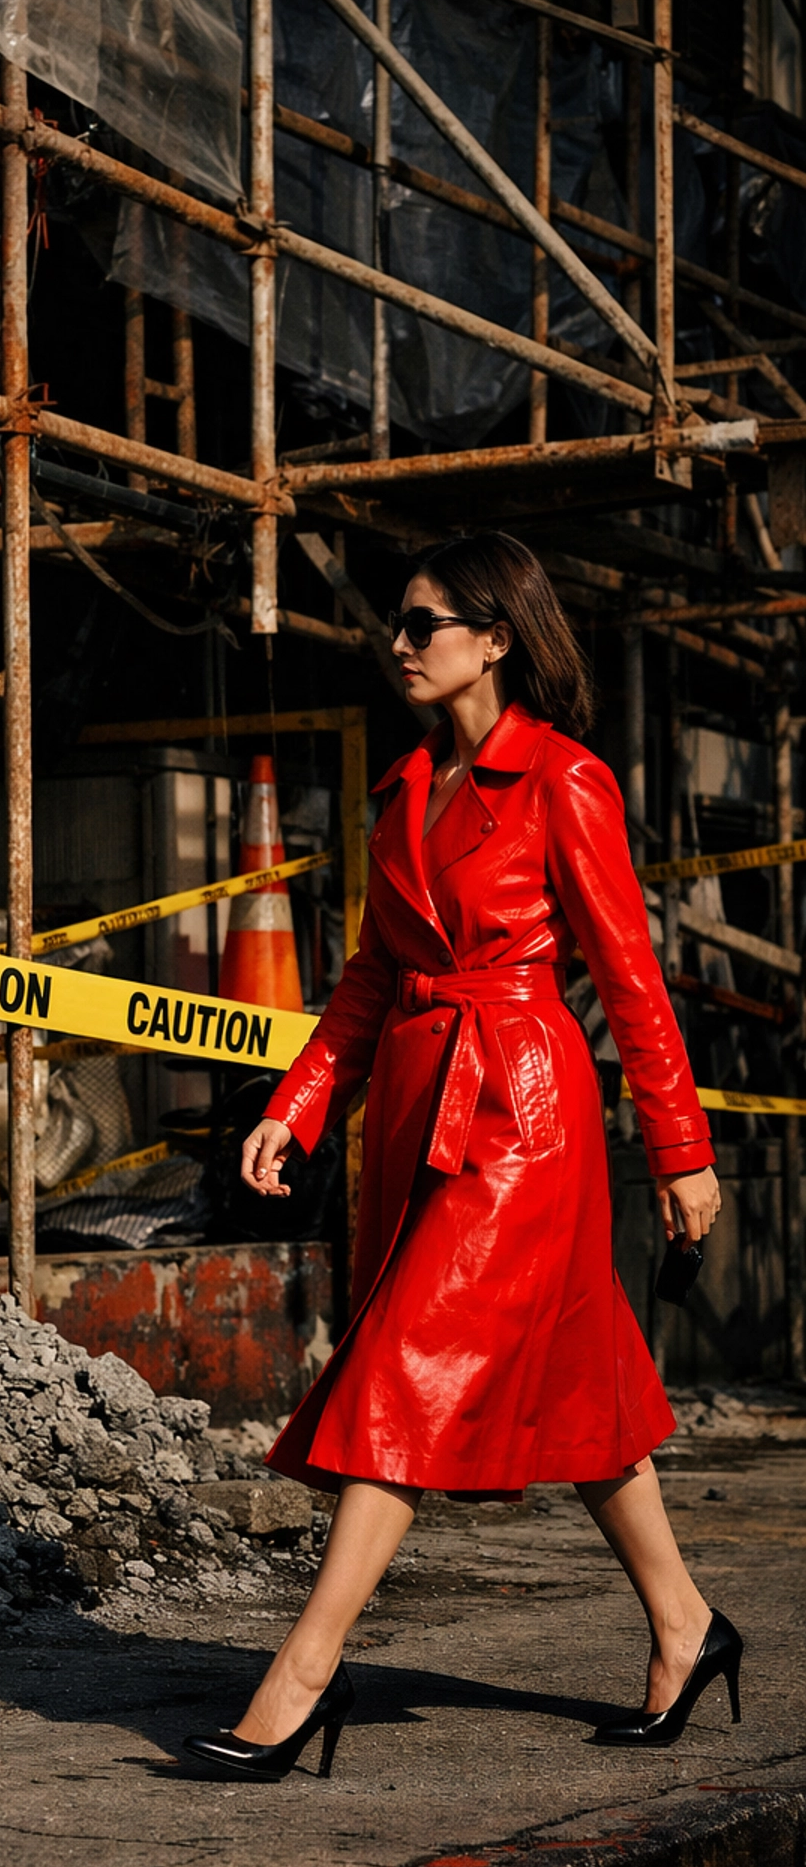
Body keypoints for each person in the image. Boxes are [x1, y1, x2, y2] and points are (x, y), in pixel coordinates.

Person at [182, 532, 740, 1784]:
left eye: (423, 622)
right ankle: (687, 1626)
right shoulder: (403, 792)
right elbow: (371, 977)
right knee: (581, 1391)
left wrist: (681, 1151)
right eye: (399, 620)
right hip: (417, 1105)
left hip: (521, 1117)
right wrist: (298, 1106)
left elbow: (631, 980)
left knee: (401, 1364)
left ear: (496, 638)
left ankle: (306, 1669)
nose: (399, 641)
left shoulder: (565, 780)